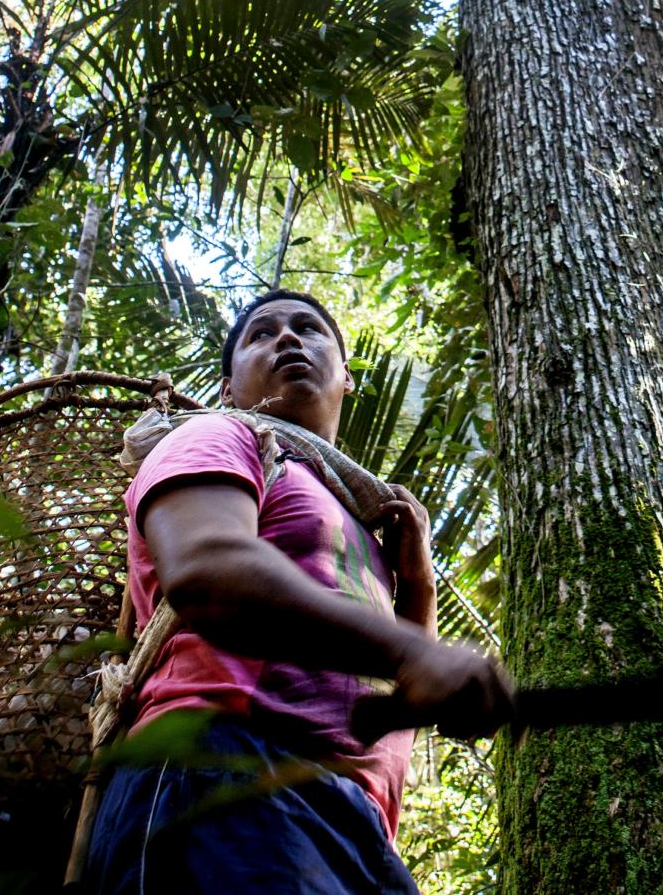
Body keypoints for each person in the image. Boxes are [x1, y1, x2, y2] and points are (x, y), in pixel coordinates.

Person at [86, 287, 513, 893]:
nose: (287, 338)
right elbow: (209, 570)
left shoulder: (364, 520)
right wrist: (411, 651)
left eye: (309, 329)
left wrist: (417, 586)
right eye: (261, 334)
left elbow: (397, 696)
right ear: (229, 388)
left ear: (346, 380)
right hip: (219, 767)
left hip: (357, 824)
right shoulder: (218, 437)